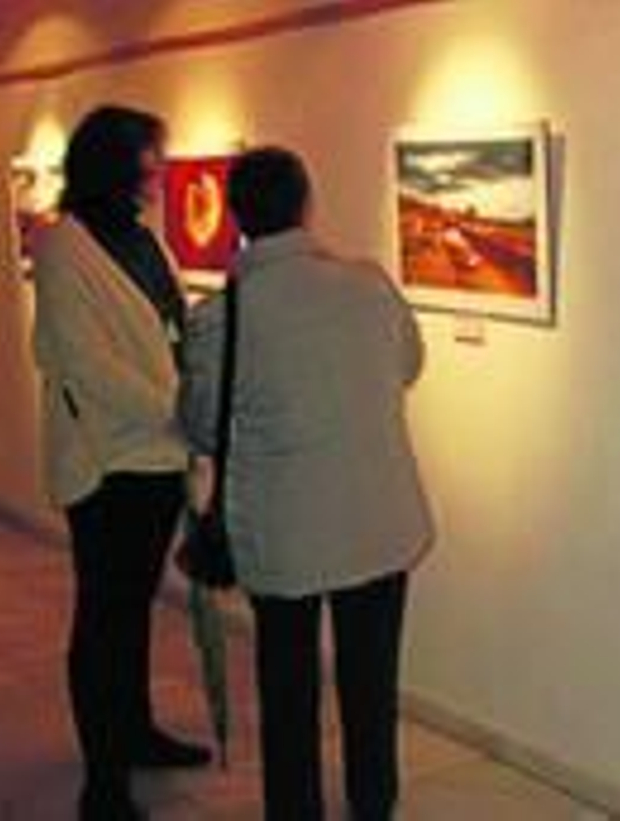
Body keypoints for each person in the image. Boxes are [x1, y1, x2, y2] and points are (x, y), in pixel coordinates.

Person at [179, 147, 435, 820]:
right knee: (369, 684)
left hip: (284, 532)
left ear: (237, 215)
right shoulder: (369, 283)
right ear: (305, 204)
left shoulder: (221, 316)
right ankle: (372, 805)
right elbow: (407, 364)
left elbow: (203, 427)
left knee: (288, 692)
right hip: (378, 519)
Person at [30, 105, 213, 820]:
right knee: (104, 616)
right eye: (149, 158)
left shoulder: (143, 239)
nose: (159, 171)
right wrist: (177, 406)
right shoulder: (64, 247)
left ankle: (135, 731)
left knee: (132, 608)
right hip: (106, 464)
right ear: (116, 163)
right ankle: (103, 778)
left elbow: (169, 324)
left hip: (157, 457)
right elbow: (85, 361)